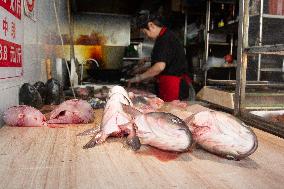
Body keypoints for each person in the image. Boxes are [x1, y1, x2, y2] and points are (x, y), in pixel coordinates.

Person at [127, 11, 194, 102]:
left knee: (173, 113)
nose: (147, 36)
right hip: (168, 83)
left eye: (145, 32)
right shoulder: (164, 37)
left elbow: (159, 67)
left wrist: (138, 78)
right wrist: (144, 66)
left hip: (174, 85)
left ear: (151, 25)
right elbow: (164, 60)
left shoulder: (165, 39)